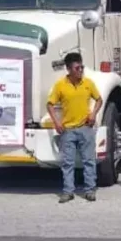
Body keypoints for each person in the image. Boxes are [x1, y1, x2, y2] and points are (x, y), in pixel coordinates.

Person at [47, 52, 103, 204]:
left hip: (86, 128)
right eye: (77, 68)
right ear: (69, 69)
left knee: (89, 161)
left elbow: (99, 100)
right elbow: (50, 104)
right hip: (68, 130)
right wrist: (56, 123)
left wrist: (93, 114)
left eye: (82, 67)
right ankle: (68, 192)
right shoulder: (60, 85)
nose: (81, 70)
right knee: (67, 163)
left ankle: (90, 190)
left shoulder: (88, 83)